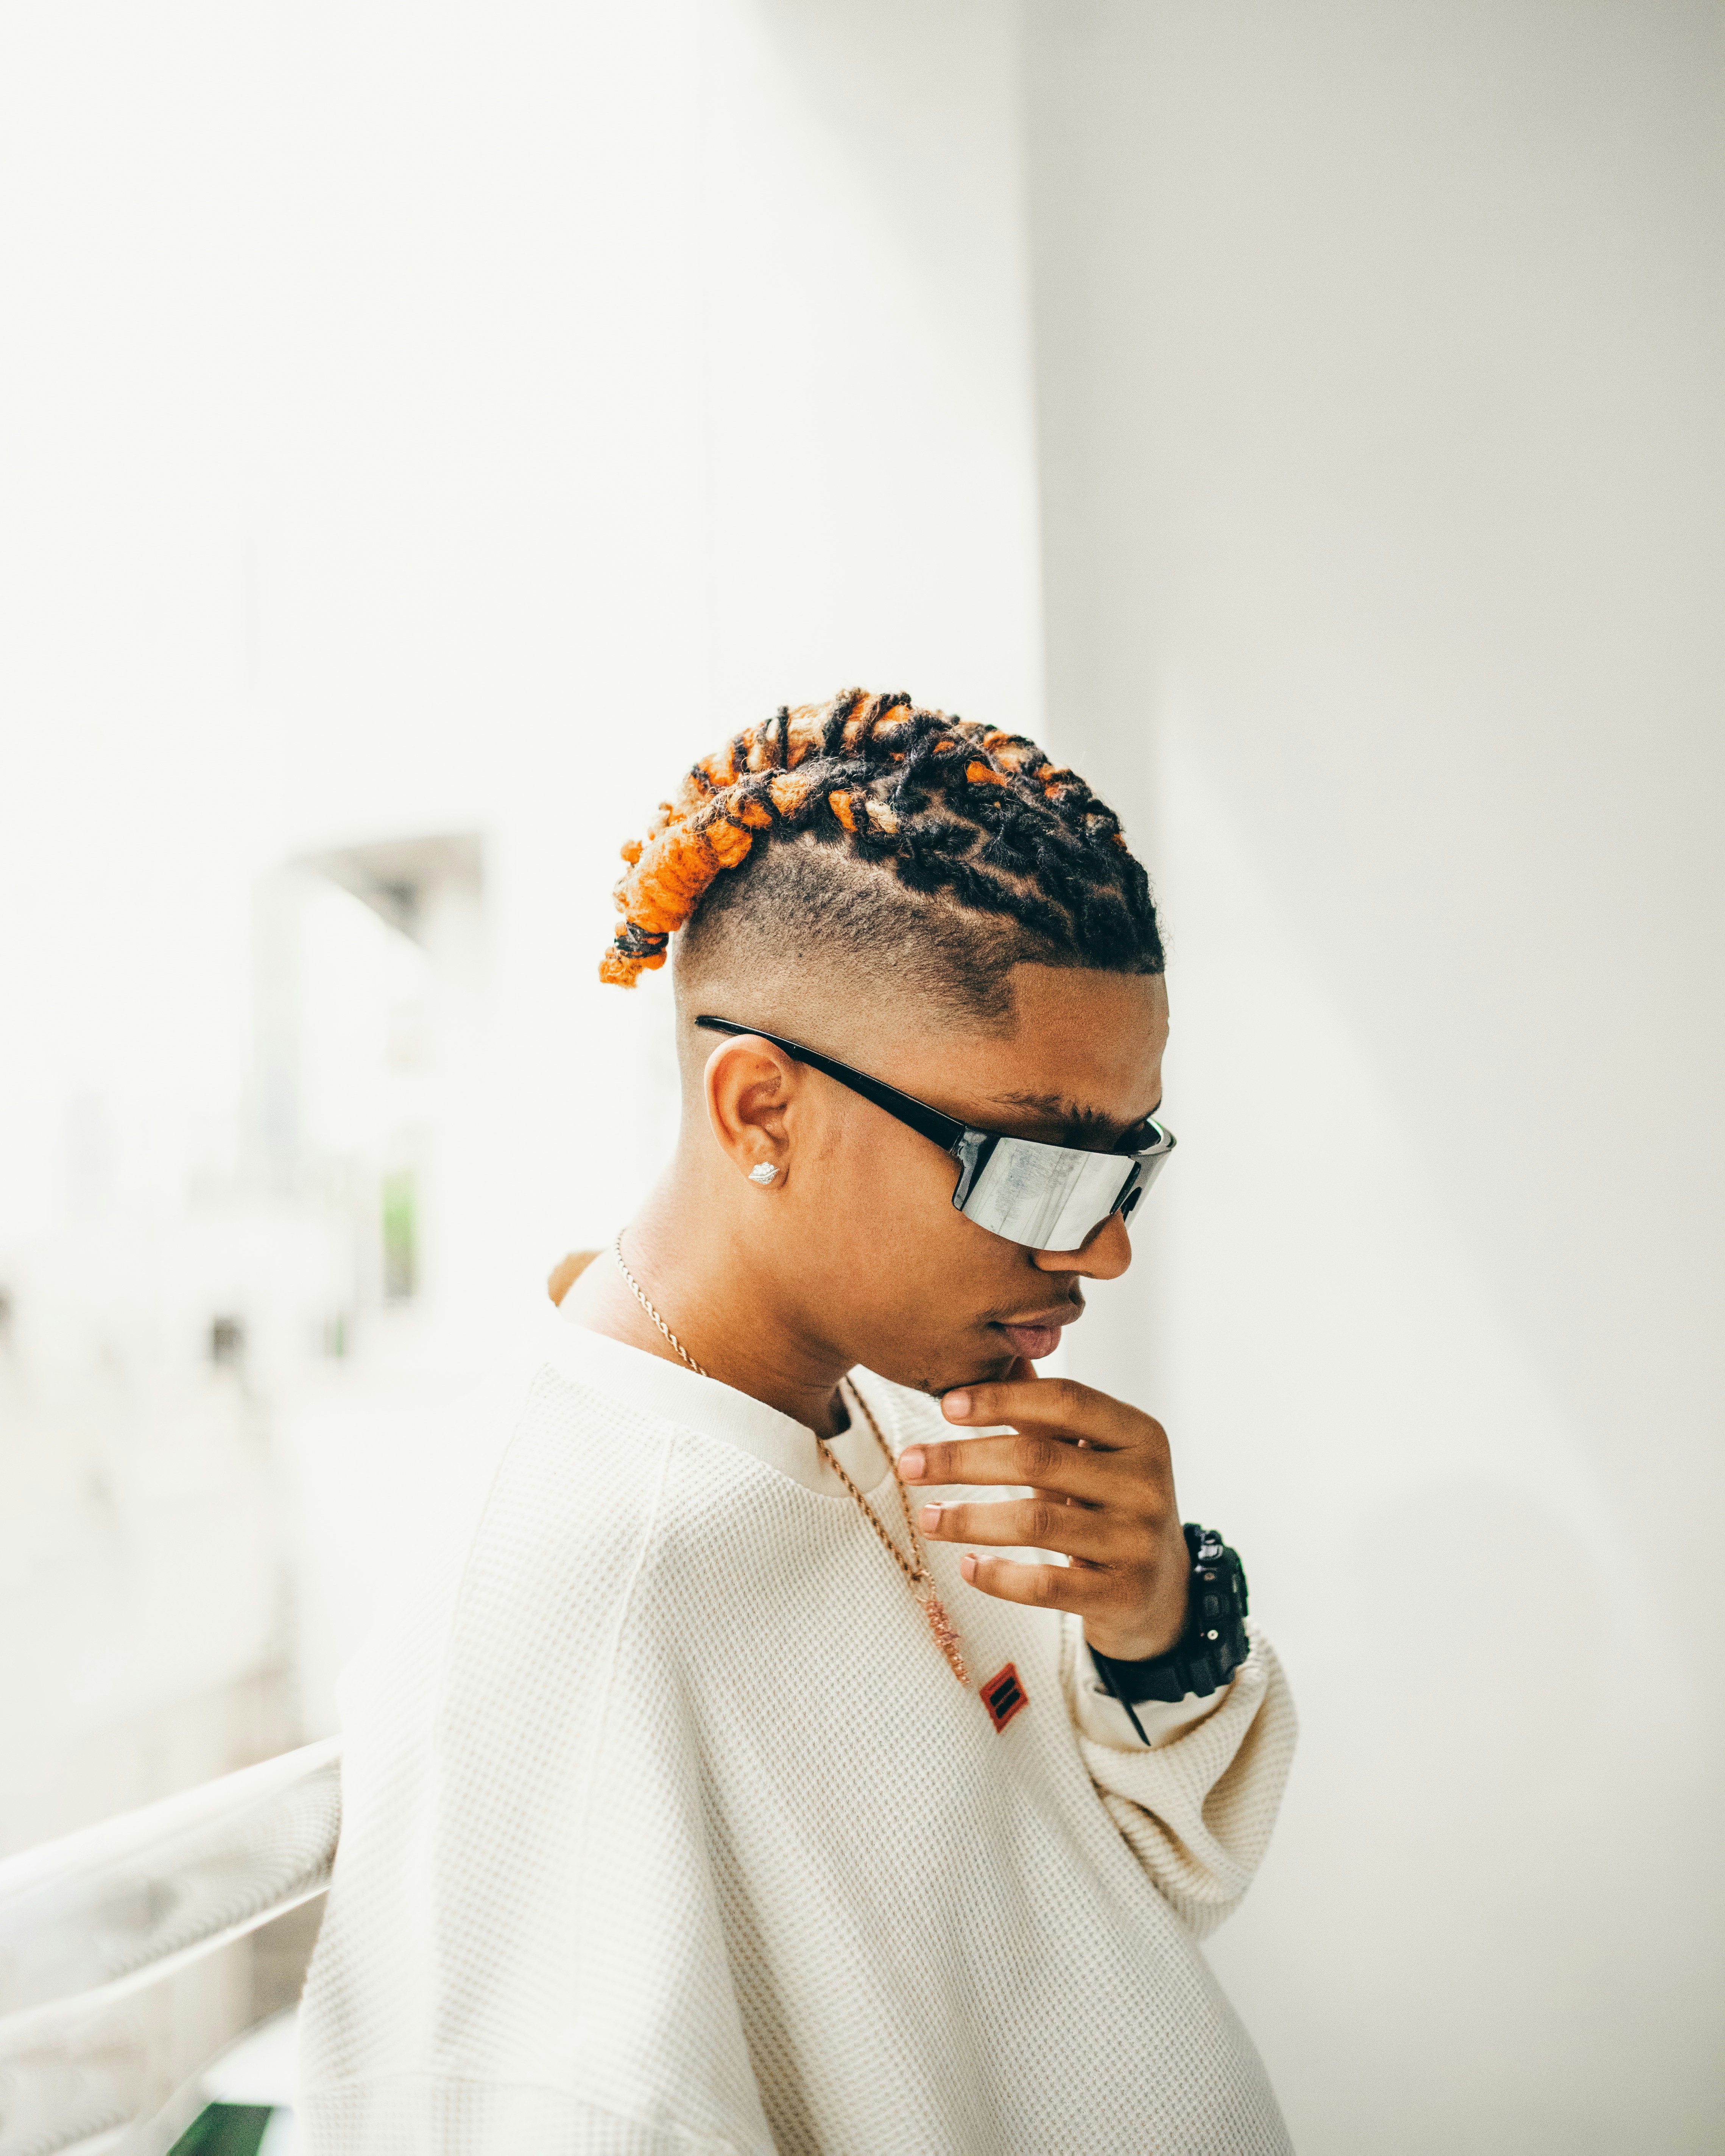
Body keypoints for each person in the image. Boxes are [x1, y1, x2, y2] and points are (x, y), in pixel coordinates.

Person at [298, 690, 1298, 2154]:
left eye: (1125, 1169)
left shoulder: (877, 1409)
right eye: (1036, 1169)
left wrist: (1162, 1633)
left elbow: (1125, 1891)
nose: (1102, 1253)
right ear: (761, 1110)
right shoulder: (570, 1582)